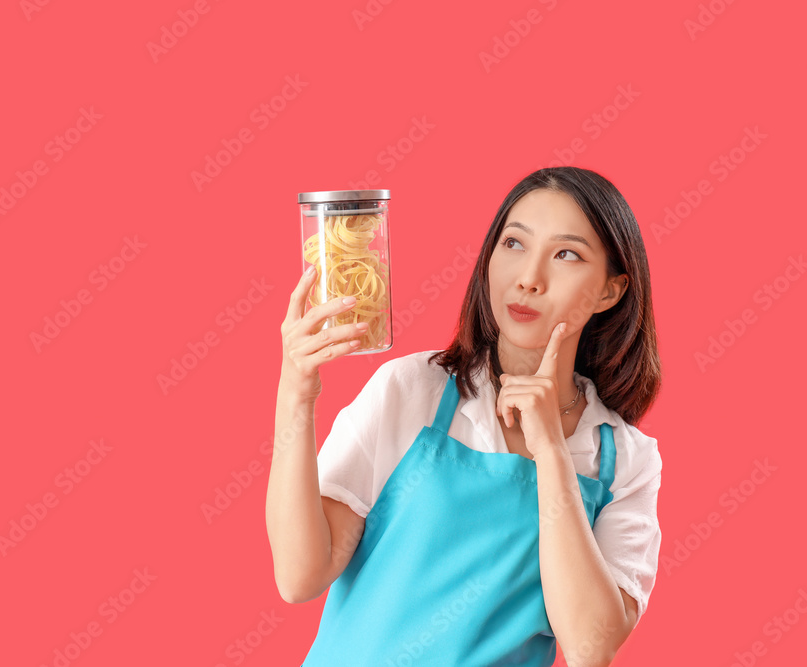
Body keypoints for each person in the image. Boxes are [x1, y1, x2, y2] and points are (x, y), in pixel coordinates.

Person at [265, 166, 663, 667]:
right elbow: (300, 575)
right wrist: (296, 394)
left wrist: (553, 455)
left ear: (611, 290)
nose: (529, 279)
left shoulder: (623, 461)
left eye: (566, 254)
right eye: (514, 244)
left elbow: (590, 647)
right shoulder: (414, 392)